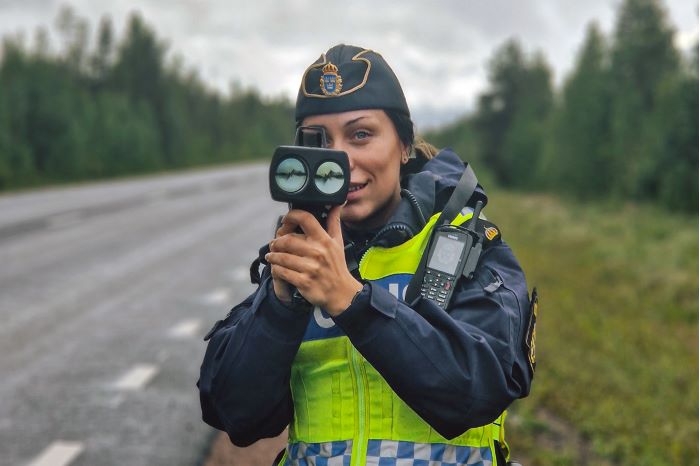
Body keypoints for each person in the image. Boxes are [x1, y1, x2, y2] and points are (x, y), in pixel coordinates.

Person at [198, 44, 536, 466]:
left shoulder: (467, 249)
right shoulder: (300, 261)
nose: (340, 160)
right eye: (319, 140)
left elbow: (475, 393)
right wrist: (279, 307)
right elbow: (236, 416)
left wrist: (351, 300)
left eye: (360, 134)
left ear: (404, 145)